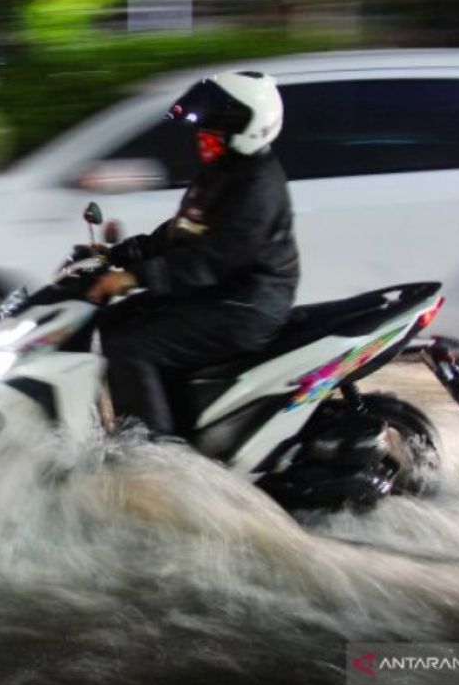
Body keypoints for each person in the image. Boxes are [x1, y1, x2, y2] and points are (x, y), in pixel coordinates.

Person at [87, 71, 300, 437]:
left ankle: (153, 457)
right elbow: (181, 233)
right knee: (113, 322)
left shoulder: (257, 186)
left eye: (212, 131)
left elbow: (213, 259)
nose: (202, 137)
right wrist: (118, 255)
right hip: (218, 296)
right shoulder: (224, 172)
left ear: (247, 128)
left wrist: (135, 277)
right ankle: (167, 425)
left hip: (245, 305)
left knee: (132, 346)